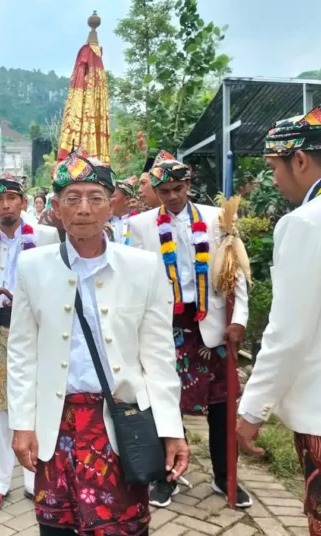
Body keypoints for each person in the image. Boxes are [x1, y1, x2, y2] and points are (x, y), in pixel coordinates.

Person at [8, 147, 189, 535]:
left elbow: (158, 355)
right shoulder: (32, 267)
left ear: (112, 206)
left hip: (119, 424)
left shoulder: (143, 268)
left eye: (95, 198)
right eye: (72, 199)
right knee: (57, 528)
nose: (84, 209)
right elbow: (22, 353)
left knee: (122, 528)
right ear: (57, 208)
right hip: (57, 425)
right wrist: (22, 424)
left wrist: (172, 429)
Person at [128, 151, 251, 509]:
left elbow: (236, 272)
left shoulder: (217, 219)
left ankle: (225, 476)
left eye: (178, 188)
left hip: (210, 323)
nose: (172, 197)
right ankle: (166, 477)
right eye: (164, 190)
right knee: (165, 402)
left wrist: (239, 318)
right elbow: (138, 282)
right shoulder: (141, 225)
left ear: (189, 184)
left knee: (221, 405)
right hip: (166, 326)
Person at [238, 105, 321, 536]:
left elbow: (289, 333)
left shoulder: (305, 223)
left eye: (274, 167)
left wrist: (252, 409)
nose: (273, 179)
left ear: (300, 160)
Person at [0, 174, 59, 511]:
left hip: (38, 330)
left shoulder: (47, 236)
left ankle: (38, 478)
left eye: (12, 199)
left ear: (23, 202)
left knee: (39, 402)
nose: (6, 206)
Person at [109, 176, 139, 245]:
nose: (108, 200)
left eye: (112, 196)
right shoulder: (102, 222)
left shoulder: (138, 221)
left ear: (126, 200)